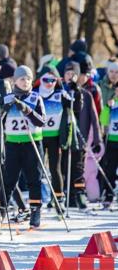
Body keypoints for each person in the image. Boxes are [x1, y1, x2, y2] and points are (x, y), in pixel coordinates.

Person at [1, 65, 46, 229]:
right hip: (13, 144)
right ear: (15, 81)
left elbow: (41, 121)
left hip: (32, 143)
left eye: (28, 78)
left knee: (34, 179)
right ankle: (0, 212)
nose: (25, 82)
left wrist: (26, 109)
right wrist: (5, 107)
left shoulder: (36, 98)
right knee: (9, 180)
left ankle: (35, 211)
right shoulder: (8, 98)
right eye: (22, 79)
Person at [35, 65, 81, 213]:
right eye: (46, 79)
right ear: (40, 79)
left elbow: (77, 106)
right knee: (37, 170)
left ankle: (58, 199)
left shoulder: (60, 94)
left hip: (55, 138)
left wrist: (76, 89)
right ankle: (36, 200)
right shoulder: (34, 94)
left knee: (55, 169)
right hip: (38, 137)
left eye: (53, 80)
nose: (49, 83)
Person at [60, 61, 101, 211]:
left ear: (78, 76)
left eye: (73, 74)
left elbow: (94, 118)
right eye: (68, 74)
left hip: (80, 137)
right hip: (64, 138)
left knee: (78, 167)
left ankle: (80, 194)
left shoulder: (85, 94)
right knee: (64, 167)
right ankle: (68, 195)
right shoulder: (60, 93)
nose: (70, 77)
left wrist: (97, 139)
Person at [99, 83, 118, 208]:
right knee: (110, 168)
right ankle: (109, 194)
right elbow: (103, 120)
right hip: (112, 140)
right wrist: (107, 107)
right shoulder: (112, 103)